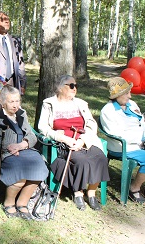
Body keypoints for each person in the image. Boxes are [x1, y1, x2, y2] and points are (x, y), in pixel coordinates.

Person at [38, 75, 110, 211]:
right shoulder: (49, 103)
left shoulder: (81, 104)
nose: (74, 88)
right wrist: (64, 139)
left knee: (100, 158)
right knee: (81, 161)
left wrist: (82, 140)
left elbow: (91, 124)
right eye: (71, 86)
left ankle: (91, 193)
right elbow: (43, 127)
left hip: (84, 140)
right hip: (65, 142)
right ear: (60, 87)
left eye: (76, 86)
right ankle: (78, 193)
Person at [100, 77, 145, 206]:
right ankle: (134, 188)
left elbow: (142, 123)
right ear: (116, 96)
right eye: (126, 93)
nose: (130, 95)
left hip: (141, 144)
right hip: (123, 147)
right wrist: (143, 136)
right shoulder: (108, 111)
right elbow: (116, 134)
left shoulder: (132, 104)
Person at [0, 85, 48, 219]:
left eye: (18, 101)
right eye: (12, 102)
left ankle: (22, 202)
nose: (16, 105)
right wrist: (7, 145)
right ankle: (9, 203)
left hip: (23, 149)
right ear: (3, 102)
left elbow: (31, 135)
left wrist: (23, 144)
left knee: (39, 167)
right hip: (4, 152)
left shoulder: (21, 113)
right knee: (19, 171)